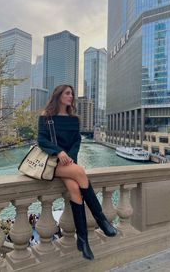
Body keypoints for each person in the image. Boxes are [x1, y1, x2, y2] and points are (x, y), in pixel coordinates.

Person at [37, 84, 117, 261]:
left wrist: (70, 157)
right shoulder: (46, 116)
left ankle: (83, 241)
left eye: (72, 94)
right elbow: (41, 140)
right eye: (67, 93)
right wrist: (59, 151)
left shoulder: (74, 119)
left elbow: (76, 141)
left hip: (69, 163)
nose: (71, 96)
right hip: (53, 162)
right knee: (80, 173)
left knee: (74, 190)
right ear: (58, 95)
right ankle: (102, 220)